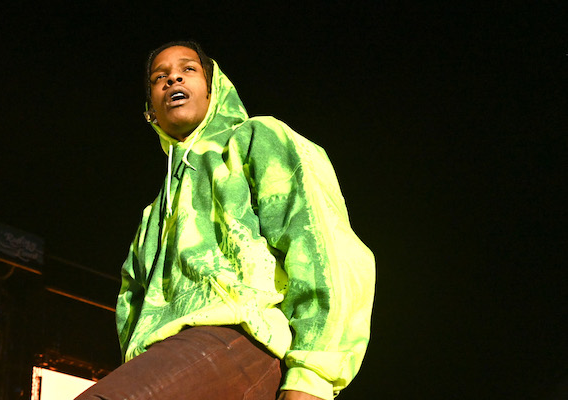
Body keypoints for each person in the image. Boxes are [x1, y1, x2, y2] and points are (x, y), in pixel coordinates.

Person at [76, 41, 375, 400]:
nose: (173, 78)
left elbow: (324, 249)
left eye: (188, 69)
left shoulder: (257, 139)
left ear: (213, 88)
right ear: (150, 109)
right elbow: (132, 309)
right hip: (169, 357)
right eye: (160, 77)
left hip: (243, 338)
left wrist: (311, 377)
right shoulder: (153, 216)